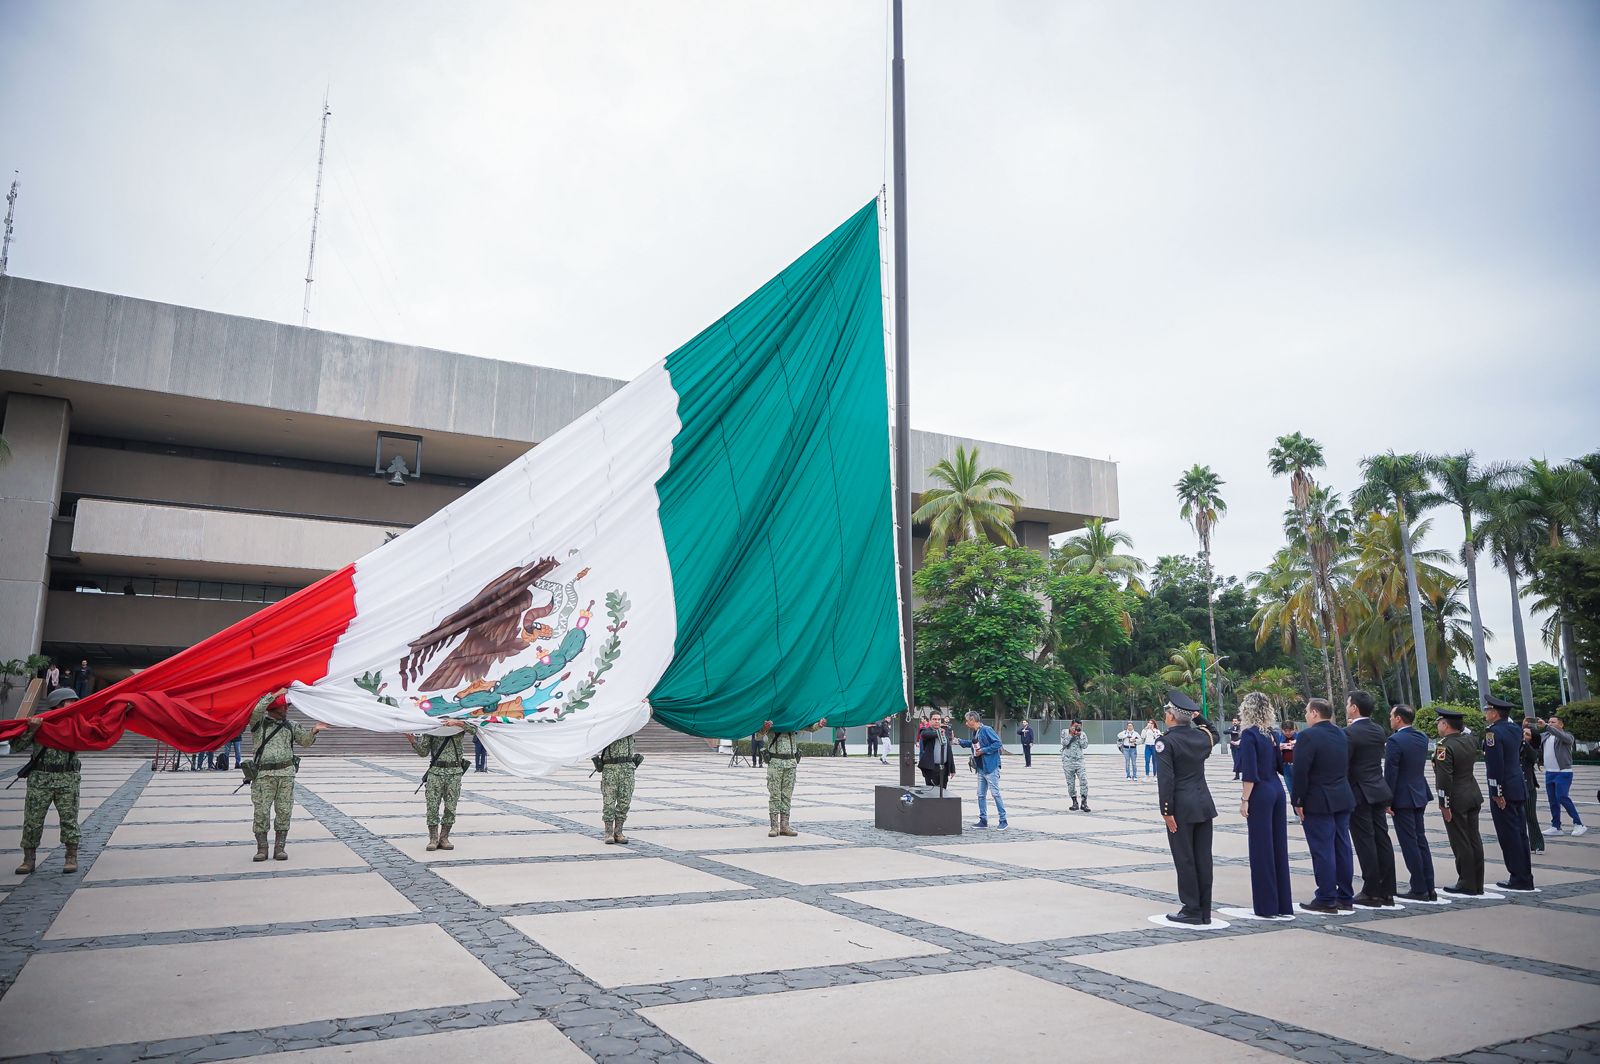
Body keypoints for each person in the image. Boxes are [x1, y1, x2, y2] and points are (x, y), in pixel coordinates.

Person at [1156, 688, 1218, 924]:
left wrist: (1166, 810)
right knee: (1203, 858)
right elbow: (1213, 731)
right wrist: (1197, 715)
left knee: (1185, 858)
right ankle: (1204, 909)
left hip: (1181, 808)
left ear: (1171, 716)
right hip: (1203, 804)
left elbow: (1166, 780)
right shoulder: (1201, 738)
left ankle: (1191, 908)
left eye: (1167, 711)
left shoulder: (1166, 742)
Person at [1290, 698, 1355, 914]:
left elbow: (1300, 771)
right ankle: (1345, 896)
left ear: (1316, 713)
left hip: (1318, 799)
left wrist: (1297, 800)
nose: (1306, 716)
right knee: (1342, 847)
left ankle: (1326, 896)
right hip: (1342, 796)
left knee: (1323, 849)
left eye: (1308, 712)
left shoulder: (1307, 736)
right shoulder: (1341, 733)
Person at [246, 688, 327, 862]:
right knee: (261, 812)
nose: (286, 709)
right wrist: (274, 695)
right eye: (283, 707)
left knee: (284, 811)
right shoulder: (259, 724)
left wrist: (314, 730)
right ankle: (262, 848)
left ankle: (280, 848)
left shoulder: (291, 725)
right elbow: (256, 709)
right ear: (273, 708)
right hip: (263, 776)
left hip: (286, 775)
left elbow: (305, 742)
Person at [12, 688, 85, 875]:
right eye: (70, 701)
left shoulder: (75, 723)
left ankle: (71, 857)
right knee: (32, 821)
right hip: (40, 780)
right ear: (59, 703)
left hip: (67, 779)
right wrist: (32, 730)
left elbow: (97, 729)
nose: (75, 704)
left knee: (69, 820)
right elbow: (16, 746)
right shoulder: (39, 723)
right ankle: (28, 859)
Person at [1237, 692, 1293, 919]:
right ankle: (1282, 904)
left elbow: (1250, 772)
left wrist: (1244, 799)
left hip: (1260, 791)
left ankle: (1266, 905)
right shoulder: (1272, 734)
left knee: (1261, 849)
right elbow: (1281, 765)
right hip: (1276, 789)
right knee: (1278, 847)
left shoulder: (1250, 735)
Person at [1344, 690, 1396, 907]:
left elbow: (1345, 763)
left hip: (1359, 791)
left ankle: (1371, 890)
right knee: (1382, 839)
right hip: (1377, 789)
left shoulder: (1350, 733)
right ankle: (1387, 889)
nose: (1346, 706)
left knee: (1365, 841)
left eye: (1348, 703)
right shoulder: (1377, 730)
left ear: (1354, 707)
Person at [1482, 696, 1535, 893]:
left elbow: (1495, 765)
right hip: (1517, 786)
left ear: (1495, 713)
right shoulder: (1514, 729)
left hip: (1504, 789)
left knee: (1509, 835)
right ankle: (1525, 875)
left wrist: (1497, 792)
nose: (1486, 712)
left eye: (1487, 709)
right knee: (1521, 834)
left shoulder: (1493, 733)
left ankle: (1518, 877)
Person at [1384, 704, 1437, 901]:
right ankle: (1429, 886)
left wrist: (1386, 799)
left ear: (1398, 718)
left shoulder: (1395, 740)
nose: (1390, 719)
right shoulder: (1421, 737)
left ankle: (1419, 887)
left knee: (1410, 843)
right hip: (1419, 792)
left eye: (1391, 716)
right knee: (1421, 840)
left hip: (1403, 797)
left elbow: (1391, 773)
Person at [1433, 707, 1485, 897]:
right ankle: (1477, 882)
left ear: (1446, 725)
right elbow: (1470, 732)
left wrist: (1444, 803)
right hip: (1472, 793)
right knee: (1474, 839)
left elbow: (1444, 778)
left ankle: (1466, 882)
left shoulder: (1444, 746)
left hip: (1456, 798)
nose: (1438, 726)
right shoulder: (1469, 741)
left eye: (1439, 722)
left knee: (1461, 841)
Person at [406, 721, 469, 851]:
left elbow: (474, 729)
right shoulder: (432, 728)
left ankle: (444, 838)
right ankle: (433, 839)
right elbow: (423, 752)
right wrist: (412, 740)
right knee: (432, 806)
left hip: (454, 773)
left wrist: (457, 722)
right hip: (436, 772)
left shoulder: (458, 727)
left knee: (451, 807)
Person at [762, 719, 820, 837]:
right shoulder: (773, 722)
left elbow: (808, 727)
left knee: (787, 795)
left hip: (791, 763)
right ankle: (774, 827)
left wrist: (819, 725)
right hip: (775, 762)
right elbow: (758, 735)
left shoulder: (794, 721)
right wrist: (766, 727)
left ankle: (784, 826)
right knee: (775, 795)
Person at [957, 710, 1007, 829]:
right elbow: (974, 744)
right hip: (981, 768)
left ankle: (1003, 820)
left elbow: (998, 743)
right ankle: (983, 820)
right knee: (980, 795)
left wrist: (983, 751)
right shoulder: (977, 731)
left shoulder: (987, 730)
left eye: (967, 721)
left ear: (972, 720)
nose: (966, 724)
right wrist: (959, 742)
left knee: (995, 794)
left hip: (990, 767)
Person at [1541, 714, 1587, 836]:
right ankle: (1556, 826)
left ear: (1561, 724)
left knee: (1562, 797)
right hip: (1549, 772)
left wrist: (1546, 726)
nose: (1550, 724)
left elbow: (1563, 737)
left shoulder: (1567, 736)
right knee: (1552, 800)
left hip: (1563, 772)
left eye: (1553, 722)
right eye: (1549, 722)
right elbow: (1533, 737)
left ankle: (1579, 824)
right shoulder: (1545, 736)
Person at [595, 731, 643, 844]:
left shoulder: (632, 727)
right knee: (609, 802)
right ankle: (608, 832)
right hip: (610, 768)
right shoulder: (612, 727)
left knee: (624, 802)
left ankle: (618, 832)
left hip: (627, 768)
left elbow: (645, 715)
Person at [1521, 720, 1545, 855]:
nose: (1524, 735)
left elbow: (1533, 756)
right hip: (1515, 786)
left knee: (1530, 816)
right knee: (1517, 817)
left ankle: (1537, 844)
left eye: (1527, 734)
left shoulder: (1534, 749)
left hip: (1528, 786)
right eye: (1523, 733)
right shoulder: (1517, 747)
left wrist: (1524, 742)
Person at [916, 713, 956, 790]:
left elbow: (949, 752)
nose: (937, 721)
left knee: (943, 791)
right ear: (930, 721)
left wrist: (952, 769)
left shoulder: (944, 732)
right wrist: (939, 732)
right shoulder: (926, 731)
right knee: (931, 792)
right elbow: (926, 735)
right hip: (931, 768)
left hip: (943, 768)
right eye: (934, 719)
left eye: (938, 719)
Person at [1059, 719, 1090, 812]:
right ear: (1071, 725)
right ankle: (1074, 802)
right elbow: (1064, 743)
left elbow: (1085, 746)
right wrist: (1071, 735)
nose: (1077, 728)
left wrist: (1079, 736)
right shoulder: (1064, 732)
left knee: (1084, 781)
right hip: (1068, 761)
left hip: (1079, 761)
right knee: (1070, 783)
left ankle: (1084, 803)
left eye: (1079, 726)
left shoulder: (1082, 734)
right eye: (1076, 726)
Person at [1280, 720, 1298, 797]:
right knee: (1291, 791)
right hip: (1285, 767)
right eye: (1285, 731)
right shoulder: (1279, 738)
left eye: (1290, 730)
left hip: (1297, 766)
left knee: (1300, 790)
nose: (1288, 733)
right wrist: (1279, 748)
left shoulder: (1299, 737)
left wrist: (1297, 745)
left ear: (1294, 729)